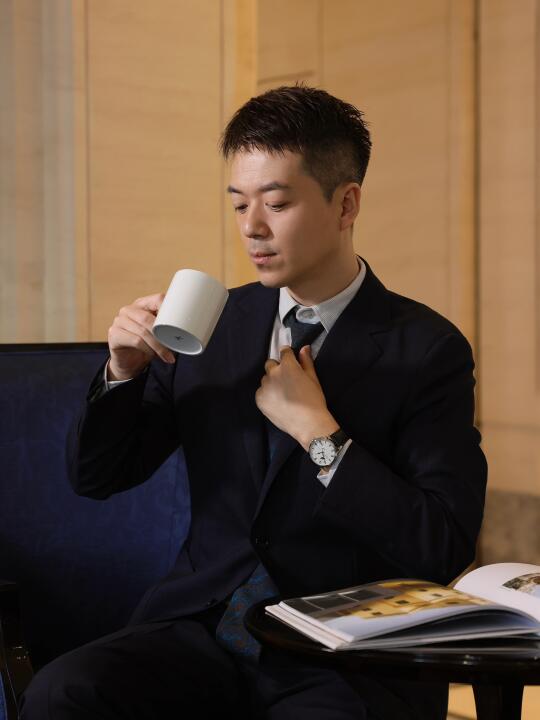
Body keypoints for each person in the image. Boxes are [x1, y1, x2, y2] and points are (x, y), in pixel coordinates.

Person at [20, 85, 487, 719]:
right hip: (201, 628)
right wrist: (121, 373)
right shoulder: (213, 324)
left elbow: (443, 542)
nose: (251, 227)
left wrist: (321, 436)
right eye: (239, 203)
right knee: (64, 692)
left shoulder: (427, 349)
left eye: (277, 202)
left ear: (346, 203)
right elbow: (97, 476)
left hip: (341, 653)